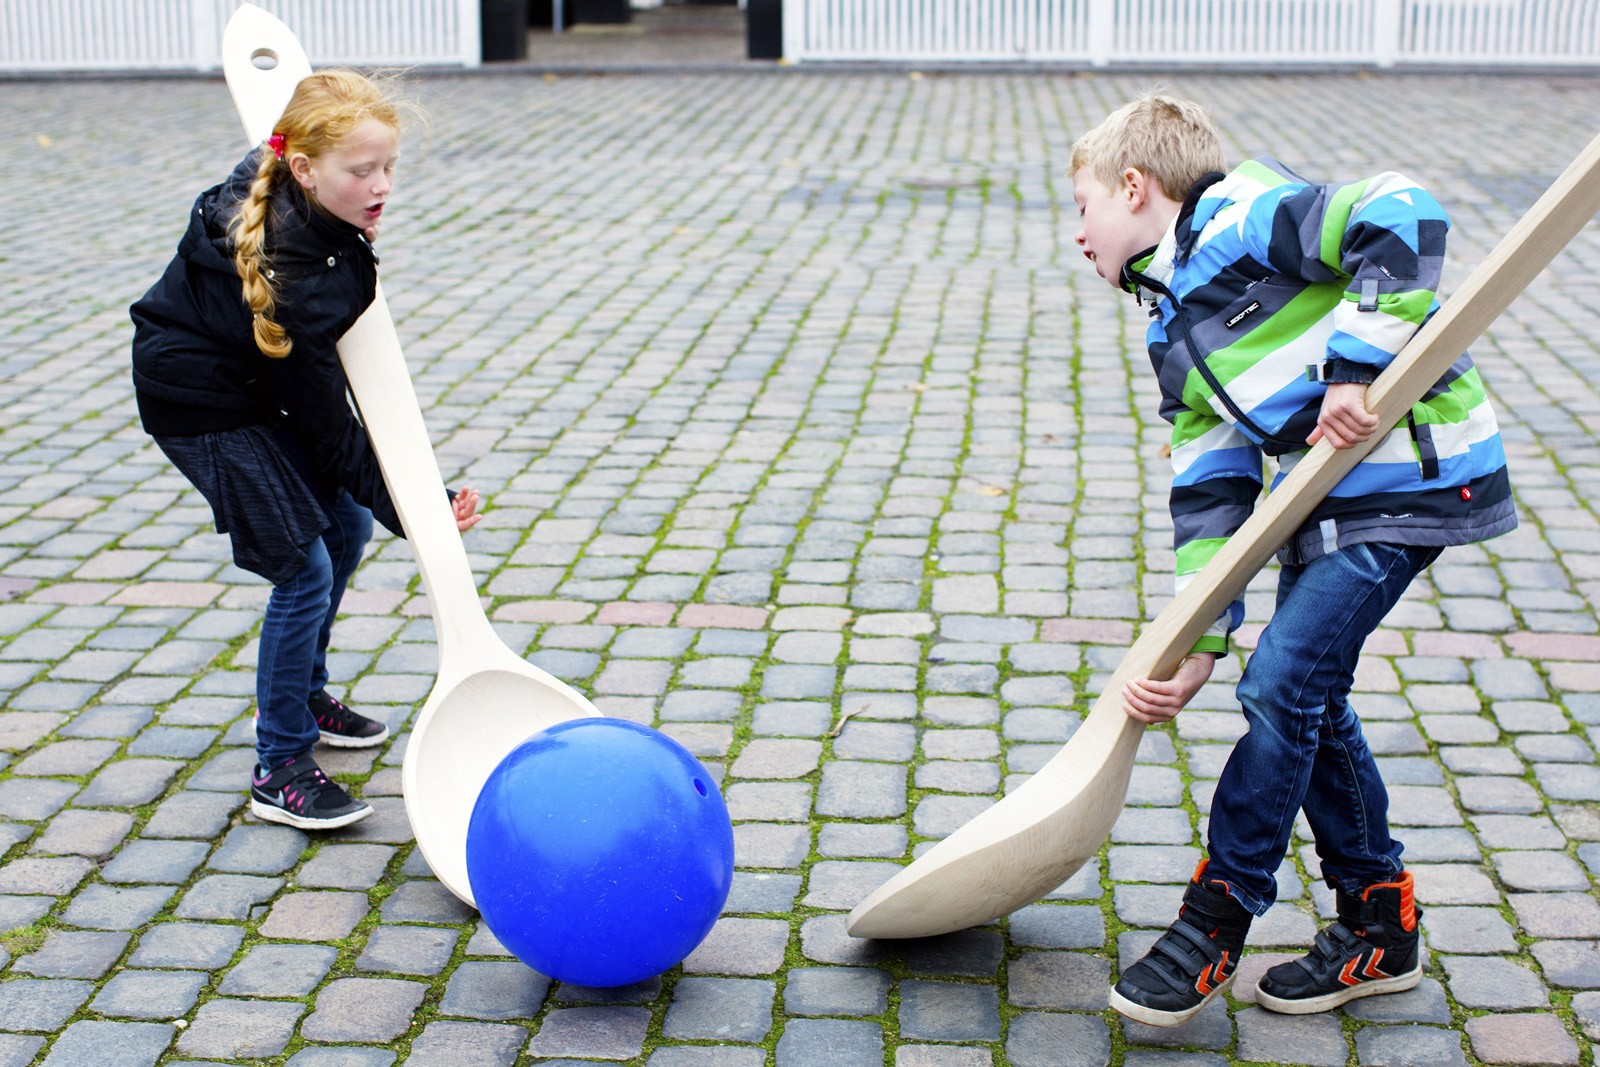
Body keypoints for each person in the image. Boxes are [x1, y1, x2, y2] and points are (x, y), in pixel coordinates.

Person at [1069, 92, 1515, 1025]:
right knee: (1305, 690)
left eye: (1084, 207)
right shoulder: (1169, 330)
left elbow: (1402, 211)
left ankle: (1217, 913)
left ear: (1137, 186)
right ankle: (1378, 922)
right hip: (1330, 504)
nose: (1078, 234)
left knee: (1281, 687)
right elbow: (1211, 488)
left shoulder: (1240, 219)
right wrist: (1199, 637)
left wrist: (1355, 368)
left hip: (1411, 474)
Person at [130, 70, 481, 831]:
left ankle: (303, 692)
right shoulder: (293, 275)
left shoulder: (291, 189)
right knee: (303, 564)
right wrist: (418, 513)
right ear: (304, 171)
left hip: (261, 384)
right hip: (203, 404)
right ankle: (280, 762)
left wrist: (347, 213)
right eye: (362, 171)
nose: (382, 184)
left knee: (346, 523)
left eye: (388, 165)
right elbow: (331, 425)